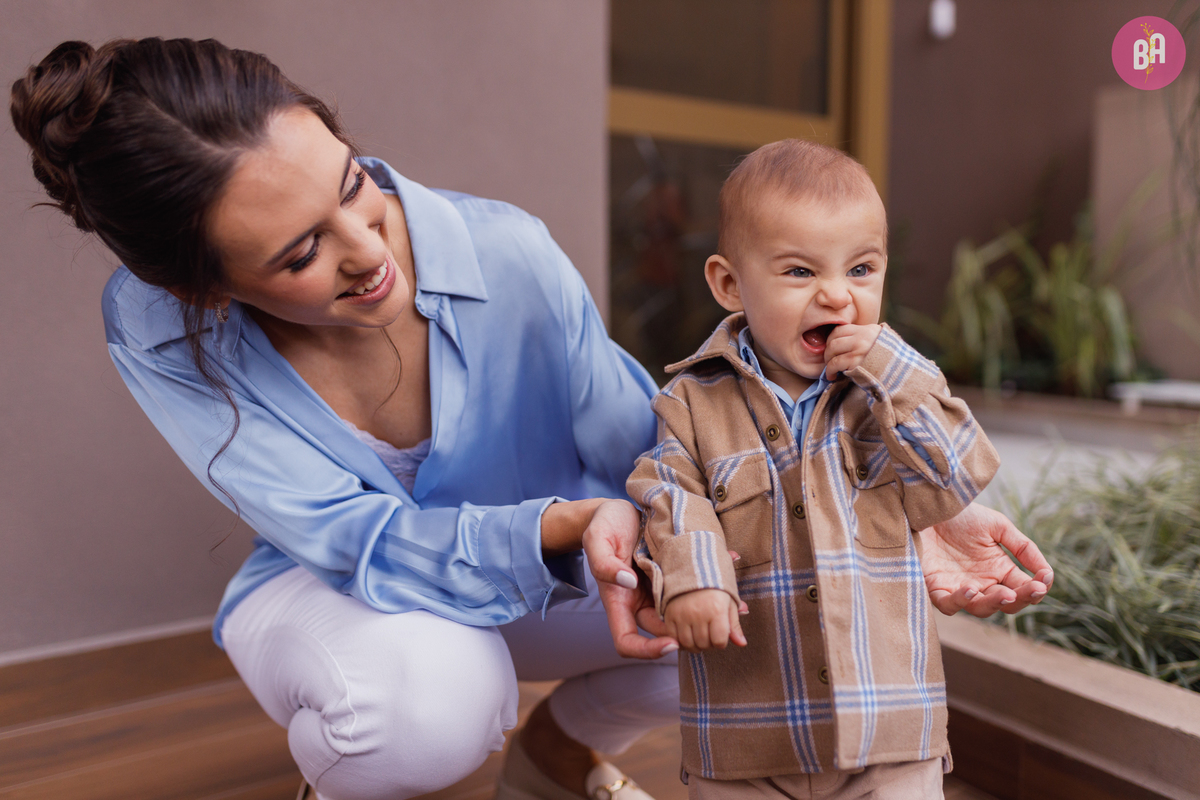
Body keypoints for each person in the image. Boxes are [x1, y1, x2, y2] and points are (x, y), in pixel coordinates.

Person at [10, 38, 1051, 800]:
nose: (371, 248)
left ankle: (554, 755)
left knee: (722, 586)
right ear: (207, 290)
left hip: (548, 567)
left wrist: (890, 514)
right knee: (427, 704)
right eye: (299, 255)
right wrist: (555, 525)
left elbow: (654, 442)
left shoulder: (500, 252)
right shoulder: (159, 330)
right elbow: (345, 532)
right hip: (342, 581)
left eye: (355, 187)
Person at [627, 140, 1022, 800]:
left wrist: (889, 366)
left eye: (861, 269)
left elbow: (958, 470)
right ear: (729, 284)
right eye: (800, 273)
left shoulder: (893, 390)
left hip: (890, 731)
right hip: (749, 733)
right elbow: (668, 490)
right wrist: (694, 578)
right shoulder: (692, 404)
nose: (838, 295)